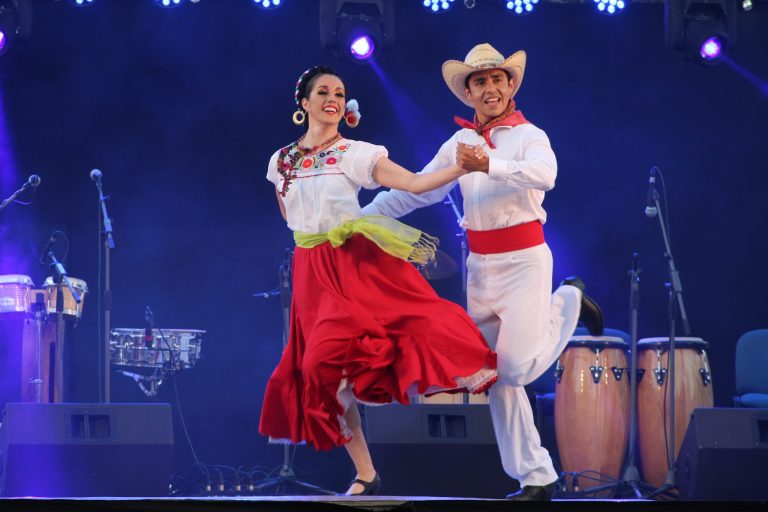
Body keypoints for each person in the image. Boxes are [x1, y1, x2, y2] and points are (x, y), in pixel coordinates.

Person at [362, 44, 604, 501]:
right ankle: (535, 477)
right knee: (493, 375)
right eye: (480, 82)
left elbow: (545, 175)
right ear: (468, 93)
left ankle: (567, 300)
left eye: (497, 79)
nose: (490, 88)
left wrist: (489, 162)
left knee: (513, 367)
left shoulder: (531, 135)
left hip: (526, 261)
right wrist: (363, 218)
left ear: (511, 85)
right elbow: (419, 190)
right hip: (481, 268)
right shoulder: (459, 143)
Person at [258, 65, 498, 496]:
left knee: (335, 360)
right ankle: (367, 474)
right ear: (305, 103)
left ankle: (457, 361)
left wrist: (462, 171)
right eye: (324, 91)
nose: (332, 97)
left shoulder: (355, 153)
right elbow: (289, 216)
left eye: (339, 92)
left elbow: (414, 183)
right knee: (320, 377)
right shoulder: (281, 162)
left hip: (351, 264)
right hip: (310, 271)